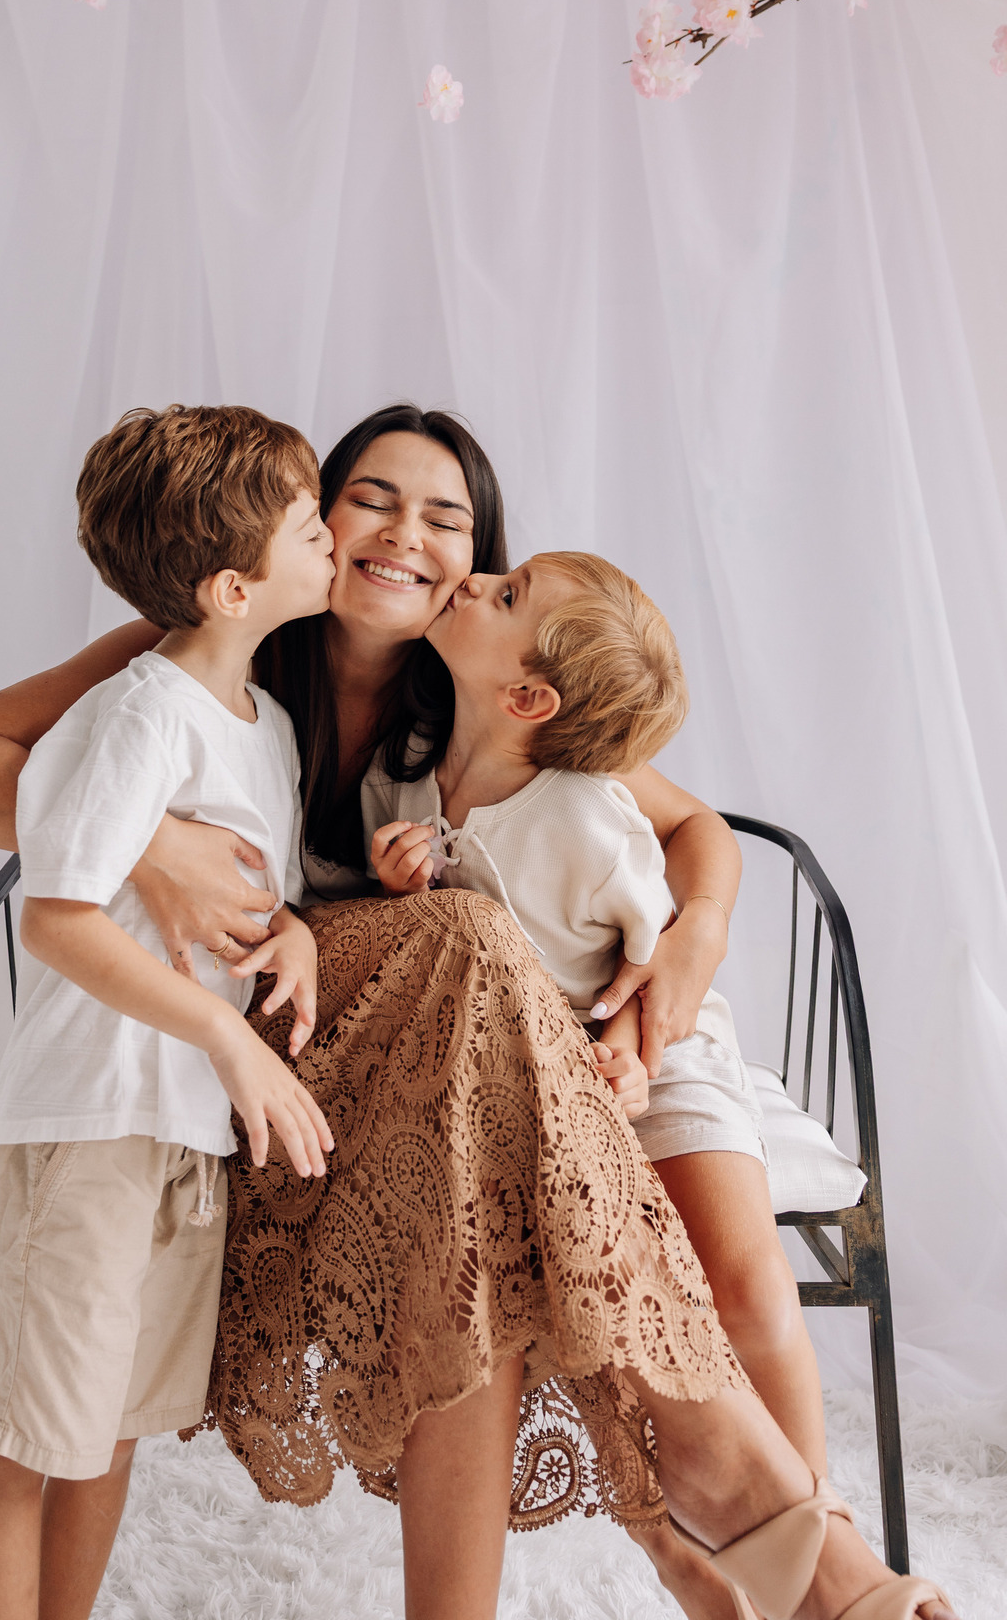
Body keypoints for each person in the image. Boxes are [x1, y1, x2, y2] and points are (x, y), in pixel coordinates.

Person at [0, 404, 955, 1620]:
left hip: (472, 1068)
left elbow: (688, 826)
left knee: (473, 1156)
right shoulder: (220, 631)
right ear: (308, 524)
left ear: (475, 558)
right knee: (467, 942)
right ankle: (744, 1515)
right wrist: (144, 842)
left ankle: (712, 1527)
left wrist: (692, 939)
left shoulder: (485, 681)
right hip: (298, 1048)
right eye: (369, 501)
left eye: (445, 519)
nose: (405, 536)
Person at [363, 549, 828, 1620]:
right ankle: (687, 1544)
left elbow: (653, 958)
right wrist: (399, 882)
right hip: (534, 1079)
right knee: (578, 1285)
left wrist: (628, 1046)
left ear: (531, 697)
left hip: (652, 1047)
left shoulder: (583, 810)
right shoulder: (400, 778)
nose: (476, 579)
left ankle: (810, 1546)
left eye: (506, 593)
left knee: (746, 1288)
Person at [0, 404, 337, 1620]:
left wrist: (290, 932)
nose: (333, 538)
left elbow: (251, 890)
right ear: (233, 589)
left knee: (109, 1428)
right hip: (93, 1123)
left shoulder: (266, 726)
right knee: (32, 1438)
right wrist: (224, 1037)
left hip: (179, 1133)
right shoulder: (139, 713)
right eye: (311, 526)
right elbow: (57, 920)